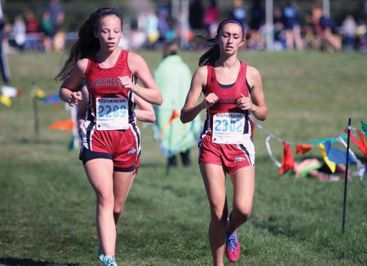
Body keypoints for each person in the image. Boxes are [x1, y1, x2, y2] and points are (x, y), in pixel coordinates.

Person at [56, 7, 163, 266]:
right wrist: (70, 96)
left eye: (116, 31)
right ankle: (109, 259)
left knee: (116, 206)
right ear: (97, 33)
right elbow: (64, 89)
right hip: (97, 136)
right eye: (105, 31)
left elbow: (158, 98)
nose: (111, 36)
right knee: (105, 196)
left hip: (126, 137)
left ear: (122, 33)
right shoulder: (86, 65)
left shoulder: (134, 61)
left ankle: (106, 240)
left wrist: (133, 86)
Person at [180, 18, 268, 265]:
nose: (229, 40)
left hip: (240, 145)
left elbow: (264, 112)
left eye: (234, 36)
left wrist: (251, 105)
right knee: (218, 211)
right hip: (212, 146)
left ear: (242, 40)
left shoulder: (251, 73)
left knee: (244, 209)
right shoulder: (204, 73)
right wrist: (202, 104)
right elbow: (184, 116)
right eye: (225, 35)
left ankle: (230, 230)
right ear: (218, 37)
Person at [153, 40, 201, 169]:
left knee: (169, 135)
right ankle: (186, 161)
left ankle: (172, 162)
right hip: (183, 108)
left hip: (166, 110)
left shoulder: (161, 68)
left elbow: (156, 89)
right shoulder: (183, 67)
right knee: (184, 134)